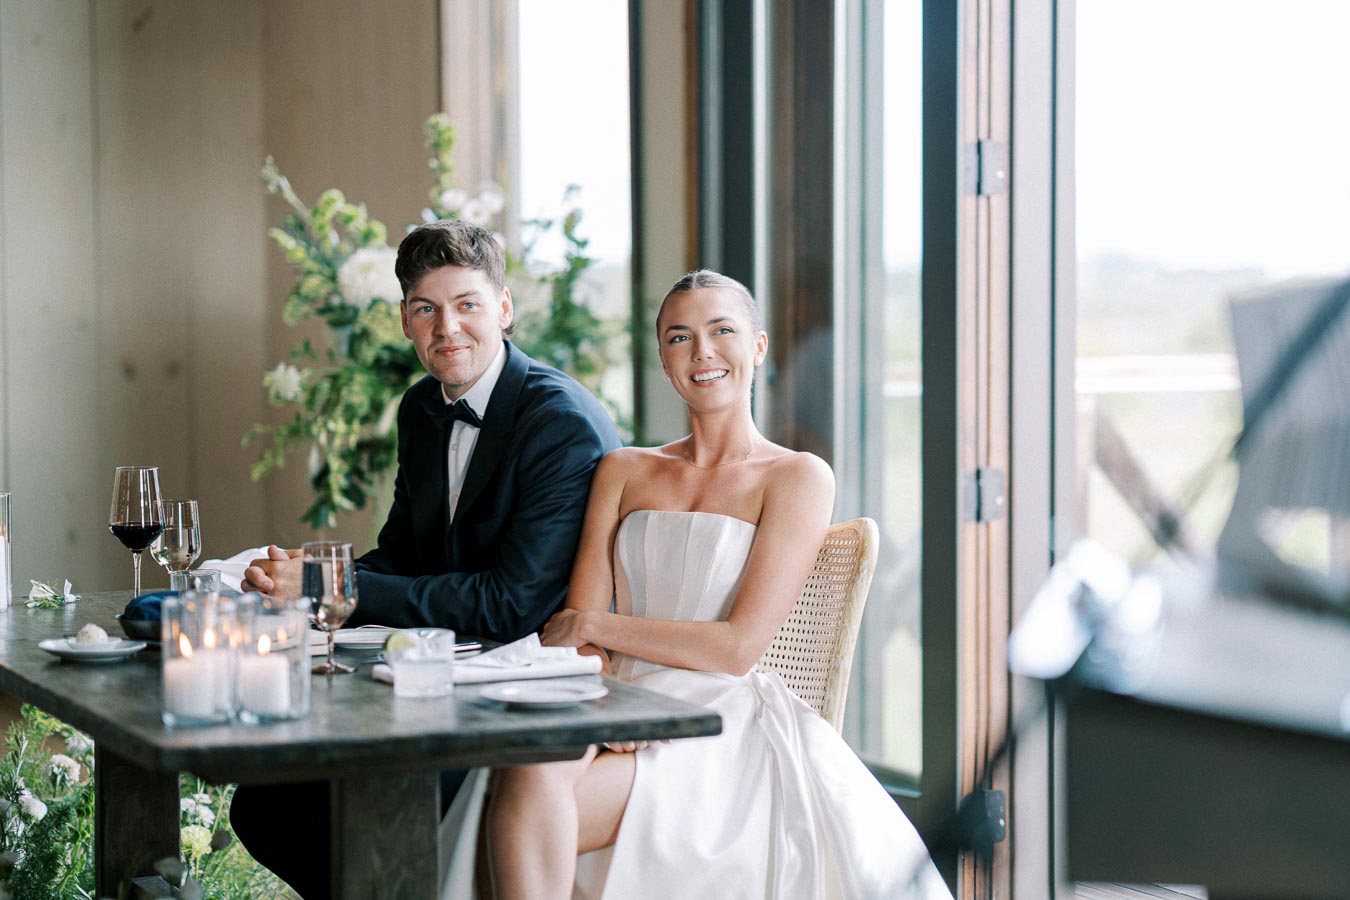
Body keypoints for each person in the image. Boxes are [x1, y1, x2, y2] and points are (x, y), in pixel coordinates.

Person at [444, 270, 951, 899]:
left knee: (528, 805)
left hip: (715, 719)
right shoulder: (623, 469)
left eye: (722, 331)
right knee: (521, 773)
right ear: (662, 357)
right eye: (680, 337)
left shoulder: (797, 477)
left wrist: (601, 627)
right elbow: (575, 636)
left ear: (758, 347)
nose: (702, 352)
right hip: (608, 698)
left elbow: (736, 647)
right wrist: (601, 696)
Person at [231, 219, 621, 899]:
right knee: (264, 802)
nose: (449, 328)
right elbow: (406, 554)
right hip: (439, 678)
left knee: (339, 806)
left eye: (468, 304)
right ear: (404, 321)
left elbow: (513, 605)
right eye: (426, 309)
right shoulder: (420, 407)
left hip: (521, 694)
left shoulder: (559, 423)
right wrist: (308, 579)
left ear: (504, 307)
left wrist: (339, 586)